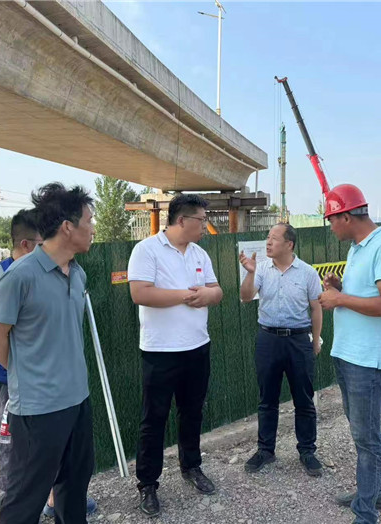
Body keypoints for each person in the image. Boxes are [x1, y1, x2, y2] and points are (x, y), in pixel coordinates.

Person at [0, 208, 96, 518]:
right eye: (88, 221)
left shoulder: (77, 273)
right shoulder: (19, 276)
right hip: (38, 406)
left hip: (77, 399)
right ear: (67, 227)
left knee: (74, 485)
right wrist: (24, 372)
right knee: (27, 494)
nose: (92, 228)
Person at [128, 194, 224, 518]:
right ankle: (148, 484)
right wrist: (186, 295)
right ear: (182, 220)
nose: (205, 226)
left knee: (192, 412)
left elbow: (217, 291)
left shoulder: (199, 253)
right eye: (201, 220)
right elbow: (140, 293)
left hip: (197, 346)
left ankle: (191, 466)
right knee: (153, 419)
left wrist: (209, 294)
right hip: (160, 351)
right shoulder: (147, 250)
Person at [318, 184, 381, 524]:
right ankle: (374, 492)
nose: (331, 226)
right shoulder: (358, 249)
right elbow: (368, 295)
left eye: (331, 219)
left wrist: (339, 299)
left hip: (367, 359)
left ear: (346, 216)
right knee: (361, 430)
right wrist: (341, 289)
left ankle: (366, 512)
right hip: (348, 353)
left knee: (366, 436)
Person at [239, 223, 324, 476]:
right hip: (268, 340)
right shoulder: (261, 269)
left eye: (274, 238)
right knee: (267, 399)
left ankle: (307, 451)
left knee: (304, 399)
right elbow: (245, 297)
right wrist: (249, 273)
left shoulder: (307, 272)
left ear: (289, 244)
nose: (268, 242)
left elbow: (316, 308)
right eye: (267, 237)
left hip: (299, 341)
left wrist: (315, 341)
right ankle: (265, 450)